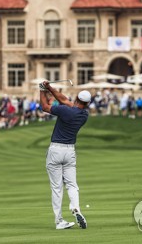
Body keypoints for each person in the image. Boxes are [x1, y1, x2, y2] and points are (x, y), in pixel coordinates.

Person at [40, 81, 90, 230]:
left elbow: (44, 107)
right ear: (87, 104)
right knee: (72, 185)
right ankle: (76, 208)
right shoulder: (84, 115)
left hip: (56, 149)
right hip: (70, 152)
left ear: (76, 99)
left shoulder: (65, 110)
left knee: (57, 188)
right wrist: (49, 88)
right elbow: (63, 99)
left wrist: (42, 90)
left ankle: (59, 221)